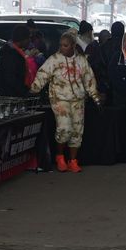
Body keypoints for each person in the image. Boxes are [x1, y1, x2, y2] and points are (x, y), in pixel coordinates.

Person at [30, 31, 102, 171]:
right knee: (64, 128)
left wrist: (96, 97)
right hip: (59, 99)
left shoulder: (81, 61)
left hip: (78, 100)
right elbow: (42, 75)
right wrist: (33, 90)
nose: (62, 48)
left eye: (66, 45)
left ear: (74, 46)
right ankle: (60, 156)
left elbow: (89, 79)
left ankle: (73, 160)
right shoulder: (54, 59)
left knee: (77, 131)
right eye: (61, 45)